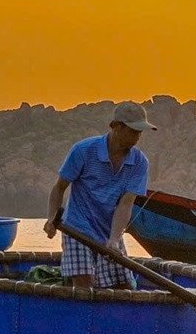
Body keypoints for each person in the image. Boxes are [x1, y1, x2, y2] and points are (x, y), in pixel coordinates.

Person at [44, 101, 155, 288]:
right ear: (116, 127)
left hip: (108, 231)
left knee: (125, 286)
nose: (138, 137)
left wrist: (114, 238)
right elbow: (59, 187)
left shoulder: (139, 162)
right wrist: (51, 219)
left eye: (140, 132)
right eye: (134, 131)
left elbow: (126, 204)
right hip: (78, 229)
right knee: (84, 286)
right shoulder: (84, 151)